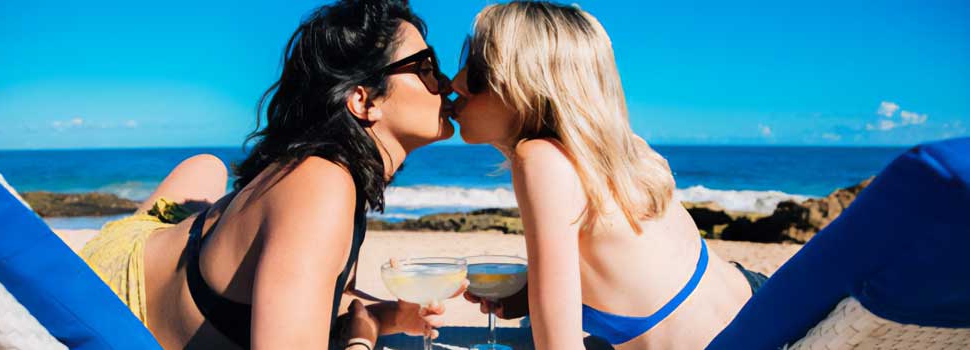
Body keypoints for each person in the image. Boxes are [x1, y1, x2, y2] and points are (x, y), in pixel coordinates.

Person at [73, 0, 460, 348]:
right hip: (113, 284)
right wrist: (363, 338)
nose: (445, 84)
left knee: (207, 166)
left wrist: (388, 315)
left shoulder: (332, 177)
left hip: (163, 242)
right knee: (205, 168)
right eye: (425, 68)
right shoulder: (323, 184)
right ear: (364, 100)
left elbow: (308, 291)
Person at [452, 2, 766, 349]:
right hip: (759, 303)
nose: (456, 82)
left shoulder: (539, 160)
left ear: (528, 85)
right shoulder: (624, 150)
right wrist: (531, 295)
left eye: (478, 71)